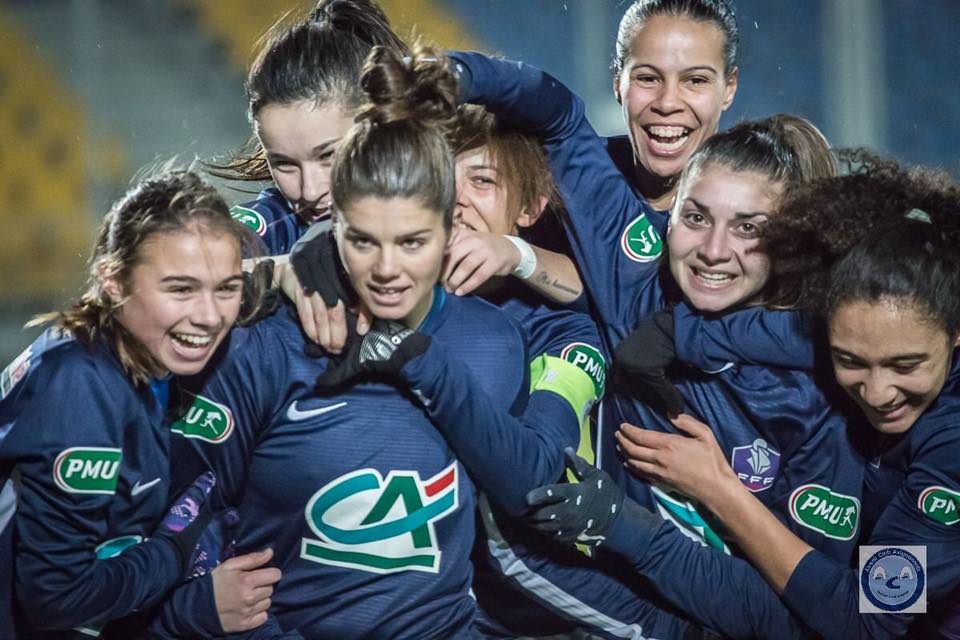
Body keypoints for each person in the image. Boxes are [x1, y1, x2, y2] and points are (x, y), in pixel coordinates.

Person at [146, 46, 534, 640]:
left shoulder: (498, 341)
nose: (387, 269)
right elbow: (168, 522)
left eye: (412, 242)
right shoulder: (258, 343)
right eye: (362, 241)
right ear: (335, 231)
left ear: (449, 227)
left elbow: (529, 499)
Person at [530, 153, 960, 639]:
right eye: (851, 361)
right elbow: (789, 332)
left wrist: (718, 490)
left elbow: (866, 622)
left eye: (905, 365)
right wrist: (678, 331)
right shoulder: (846, 331)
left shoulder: (952, 450)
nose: (877, 393)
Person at [0, 170, 279, 638]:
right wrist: (174, 553)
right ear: (113, 280)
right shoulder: (82, 390)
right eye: (180, 289)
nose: (210, 316)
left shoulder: (132, 349)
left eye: (226, 288)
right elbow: (57, 597)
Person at [443, 0, 741, 303]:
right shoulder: (565, 175)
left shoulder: (758, 213)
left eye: (696, 81)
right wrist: (452, 74)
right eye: (647, 78)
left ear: (729, 88)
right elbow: (550, 103)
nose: (667, 103)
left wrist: (522, 256)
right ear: (618, 84)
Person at [215, 0, 406, 256]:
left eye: (328, 156)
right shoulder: (277, 224)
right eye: (284, 164)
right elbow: (220, 248)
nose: (310, 191)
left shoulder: (451, 205)